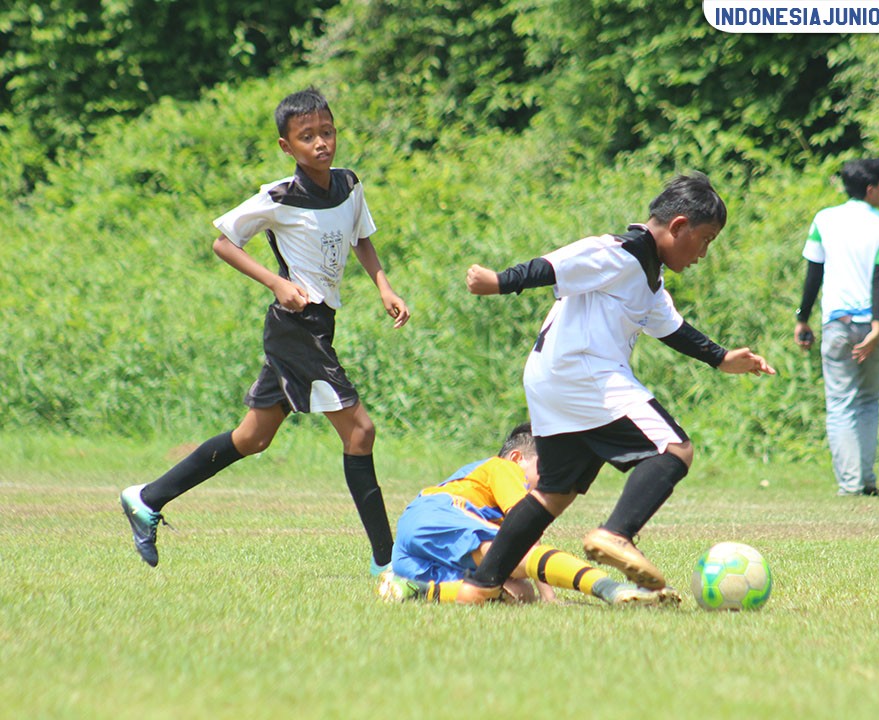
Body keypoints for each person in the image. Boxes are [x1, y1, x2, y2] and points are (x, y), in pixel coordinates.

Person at [120, 87, 410, 569]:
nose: (320, 142)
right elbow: (224, 243)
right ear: (286, 146)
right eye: (307, 136)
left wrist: (384, 287)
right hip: (297, 328)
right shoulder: (279, 196)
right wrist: (277, 283)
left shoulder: (349, 184)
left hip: (319, 325)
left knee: (253, 438)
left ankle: (146, 498)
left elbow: (360, 236)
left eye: (327, 131)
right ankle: (389, 563)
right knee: (360, 431)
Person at [455, 172, 776, 604]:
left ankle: (479, 586)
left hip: (555, 378)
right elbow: (556, 264)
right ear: (679, 226)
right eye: (705, 240)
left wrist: (720, 357)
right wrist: (499, 281)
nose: (703, 254)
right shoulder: (619, 252)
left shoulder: (647, 275)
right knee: (675, 449)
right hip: (582, 372)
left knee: (553, 492)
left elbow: (671, 326)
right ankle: (616, 533)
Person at [379, 423, 676, 606]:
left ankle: (416, 591)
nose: (548, 479)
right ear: (517, 458)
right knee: (517, 555)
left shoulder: (484, 496)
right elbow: (525, 537)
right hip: (436, 515)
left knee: (518, 592)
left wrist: (540, 594)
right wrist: (551, 596)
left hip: (415, 549)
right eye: (544, 468)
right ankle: (611, 589)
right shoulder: (503, 467)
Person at [793, 158, 879, 497]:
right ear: (870, 189)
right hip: (874, 326)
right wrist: (877, 326)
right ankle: (866, 480)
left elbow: (814, 273)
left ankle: (850, 484)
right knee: (868, 400)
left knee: (841, 404)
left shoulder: (824, 219)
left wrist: (802, 318)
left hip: (838, 325)